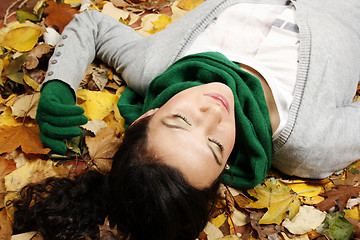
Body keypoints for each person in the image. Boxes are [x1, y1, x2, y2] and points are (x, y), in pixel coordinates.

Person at [11, 0, 360, 239]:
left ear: (145, 117)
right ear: (225, 168)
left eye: (179, 120)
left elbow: (93, 26)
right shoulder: (312, 142)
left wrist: (58, 85)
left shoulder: (153, 66)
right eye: (215, 144)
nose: (213, 113)